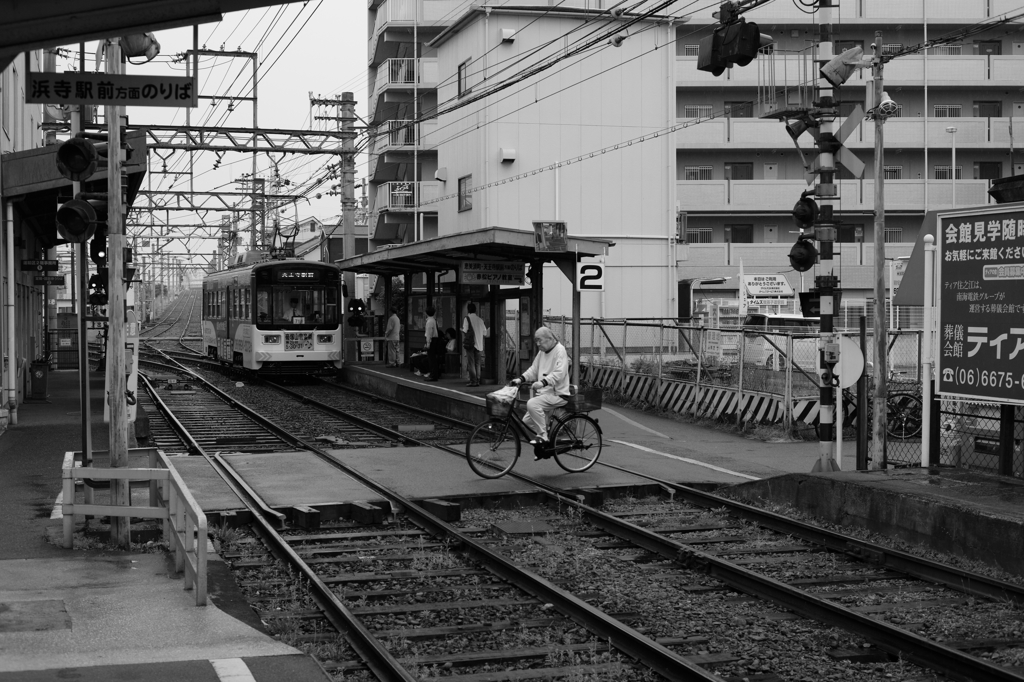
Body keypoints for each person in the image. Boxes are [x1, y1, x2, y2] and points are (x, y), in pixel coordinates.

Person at [510, 327, 570, 455]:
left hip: (558, 394)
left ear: (549, 339)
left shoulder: (560, 351)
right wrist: (520, 379)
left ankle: (543, 437)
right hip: (545, 394)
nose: (537, 344)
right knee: (526, 422)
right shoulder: (542, 352)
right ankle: (545, 447)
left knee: (532, 404)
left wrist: (543, 382)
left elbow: (560, 373)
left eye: (539, 340)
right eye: (536, 341)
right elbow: (533, 369)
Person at [461, 302, 489, 387]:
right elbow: (485, 333)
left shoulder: (467, 319)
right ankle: (477, 380)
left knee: (471, 363)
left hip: (470, 344)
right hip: (479, 345)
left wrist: (461, 330)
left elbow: (465, 331)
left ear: (468, 310)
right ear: (475, 310)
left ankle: (473, 381)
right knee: (478, 363)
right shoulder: (480, 320)